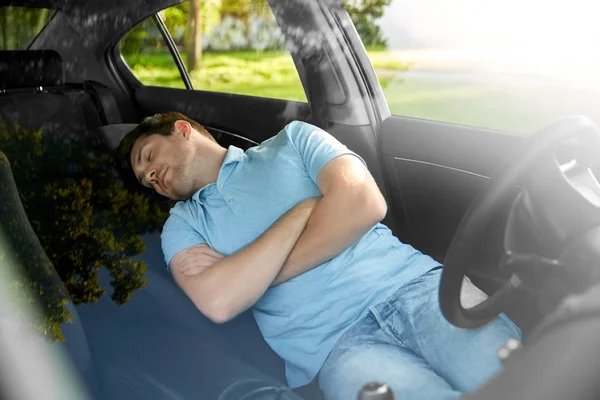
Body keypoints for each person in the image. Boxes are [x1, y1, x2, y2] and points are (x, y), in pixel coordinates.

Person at [118, 112, 522, 400]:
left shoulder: (295, 140)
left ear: (182, 129)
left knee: (523, 383)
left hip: (414, 287)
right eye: (144, 180)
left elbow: (364, 204)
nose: (150, 177)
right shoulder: (182, 227)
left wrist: (253, 278)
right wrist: (302, 213)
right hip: (334, 346)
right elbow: (220, 301)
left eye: (148, 157)